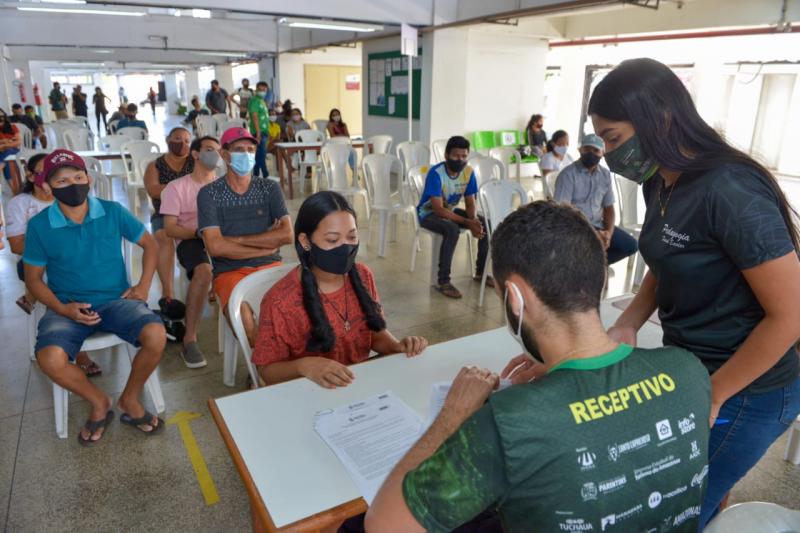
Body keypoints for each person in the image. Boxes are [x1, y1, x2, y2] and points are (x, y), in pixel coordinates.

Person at [366, 201, 712, 533]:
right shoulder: (687, 370)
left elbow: (384, 525)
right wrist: (564, 375)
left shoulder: (507, 422)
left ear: (514, 298)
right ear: (598, 279)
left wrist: (452, 416)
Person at [589, 58, 800, 527]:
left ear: (659, 118)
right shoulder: (660, 182)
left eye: (613, 138)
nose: (607, 153)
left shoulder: (729, 189)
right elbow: (666, 262)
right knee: (690, 486)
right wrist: (628, 322)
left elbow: (791, 314)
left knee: (680, 508)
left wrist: (714, 394)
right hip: (694, 370)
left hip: (750, 386)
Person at [23, 149, 166, 444]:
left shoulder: (112, 211)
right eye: (62, 181)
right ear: (48, 187)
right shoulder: (39, 226)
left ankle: (129, 398)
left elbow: (151, 245)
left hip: (116, 300)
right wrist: (63, 309)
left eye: (78, 176)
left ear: (88, 178)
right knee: (50, 358)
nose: (73, 184)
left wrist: (142, 287)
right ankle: (99, 401)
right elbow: (34, 280)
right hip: (68, 306)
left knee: (156, 334)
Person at [253, 191, 428, 388]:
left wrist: (396, 346)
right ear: (305, 241)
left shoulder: (362, 276)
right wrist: (305, 366)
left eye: (352, 237)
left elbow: (373, 334)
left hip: (357, 385)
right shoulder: (280, 302)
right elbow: (268, 372)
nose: (344, 248)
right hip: (306, 392)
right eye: (332, 240)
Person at [7, 153, 103, 377]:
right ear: (31, 176)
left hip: (80, 259)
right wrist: (54, 246)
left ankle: (33, 298)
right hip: (36, 264)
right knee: (59, 275)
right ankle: (79, 351)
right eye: (44, 172)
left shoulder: (74, 200)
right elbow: (16, 245)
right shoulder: (21, 203)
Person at [197, 127, 293, 345]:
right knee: (245, 319)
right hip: (230, 272)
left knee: (297, 310)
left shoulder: (270, 188)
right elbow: (216, 248)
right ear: (224, 154)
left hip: (271, 266)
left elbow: (287, 235)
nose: (247, 154)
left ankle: (285, 370)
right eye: (239, 149)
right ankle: (263, 374)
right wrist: (267, 242)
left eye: (251, 149)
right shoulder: (208, 194)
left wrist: (235, 240)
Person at [161, 136, 220, 369]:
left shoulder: (224, 185)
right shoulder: (177, 188)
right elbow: (170, 228)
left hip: (222, 237)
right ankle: (190, 339)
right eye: (208, 149)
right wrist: (200, 232)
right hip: (192, 238)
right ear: (195, 154)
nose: (214, 154)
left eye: (217, 150)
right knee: (204, 271)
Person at [417, 135, 490, 299]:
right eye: (456, 156)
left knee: (485, 224)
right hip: (428, 214)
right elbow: (439, 210)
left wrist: (474, 221)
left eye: (464, 156)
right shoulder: (436, 173)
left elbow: (470, 203)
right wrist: (468, 223)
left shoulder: (468, 173)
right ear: (446, 155)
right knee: (452, 229)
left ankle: (480, 272)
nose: (460, 160)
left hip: (450, 210)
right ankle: (444, 281)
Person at [554, 134, 638, 266]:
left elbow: (609, 208)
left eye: (595, 150)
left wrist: (608, 234)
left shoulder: (605, 175)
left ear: (603, 153)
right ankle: (588, 268)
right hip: (575, 228)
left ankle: (594, 267)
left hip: (599, 225)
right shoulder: (568, 175)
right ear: (580, 150)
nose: (591, 153)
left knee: (631, 245)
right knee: (591, 245)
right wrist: (592, 234)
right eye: (587, 149)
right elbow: (562, 214)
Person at [144, 126, 194, 311]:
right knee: (163, 237)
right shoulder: (155, 165)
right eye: (178, 138)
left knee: (207, 233)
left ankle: (207, 281)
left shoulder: (195, 162)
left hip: (192, 213)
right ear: (168, 139)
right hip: (164, 212)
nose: (182, 144)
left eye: (187, 141)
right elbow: (153, 190)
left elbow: (204, 185)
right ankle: (168, 293)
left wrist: (172, 189)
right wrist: (185, 188)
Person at [248, 81, 273, 178]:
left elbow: (265, 118)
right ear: (256, 90)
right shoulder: (254, 100)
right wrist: (258, 133)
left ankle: (259, 175)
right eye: (260, 90)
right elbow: (254, 116)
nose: (262, 92)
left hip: (264, 131)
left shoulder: (262, 101)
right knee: (261, 155)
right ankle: (262, 175)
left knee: (260, 154)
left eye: (264, 90)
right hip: (258, 132)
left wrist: (268, 131)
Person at [0, 108, 23, 195]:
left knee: (8, 152)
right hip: (4, 153)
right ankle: (15, 191)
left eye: (2, 116)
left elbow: (19, 141)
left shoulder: (12, 127)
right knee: (9, 160)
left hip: (13, 150)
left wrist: (4, 144)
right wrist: (6, 141)